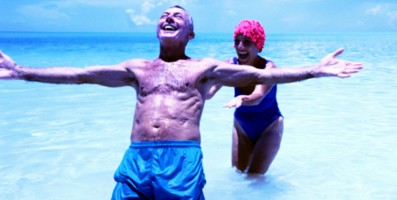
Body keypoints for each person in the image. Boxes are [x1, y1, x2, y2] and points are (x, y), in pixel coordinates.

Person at [0, 5, 362, 200]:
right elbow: (81, 74)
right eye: (163, 14)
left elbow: (266, 77)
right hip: (136, 158)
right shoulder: (136, 68)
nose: (168, 16)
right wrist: (22, 72)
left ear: (190, 33)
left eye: (178, 15)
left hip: (181, 158)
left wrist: (314, 71)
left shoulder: (205, 68)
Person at [224, 19, 284, 175]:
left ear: (258, 45)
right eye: (237, 41)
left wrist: (242, 99)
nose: (240, 47)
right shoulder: (231, 65)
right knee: (238, 176)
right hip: (241, 126)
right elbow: (210, 85)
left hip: (269, 127)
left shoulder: (268, 68)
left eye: (246, 42)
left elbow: (258, 96)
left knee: (254, 178)